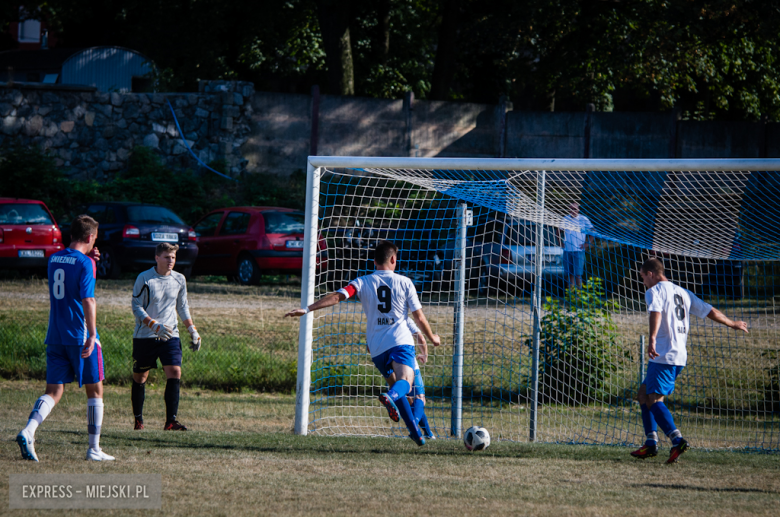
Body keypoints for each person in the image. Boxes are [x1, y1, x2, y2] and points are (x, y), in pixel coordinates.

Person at [285, 240, 440, 446]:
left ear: (374, 261)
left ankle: (417, 434)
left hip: (376, 347)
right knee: (406, 382)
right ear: (393, 259)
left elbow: (337, 297)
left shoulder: (362, 281)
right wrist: (432, 337)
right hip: (400, 341)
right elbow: (418, 317)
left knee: (398, 388)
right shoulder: (404, 282)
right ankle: (391, 397)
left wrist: (307, 309)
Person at [16, 215, 115, 462]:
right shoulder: (85, 263)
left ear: (71, 234)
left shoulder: (53, 259)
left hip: (56, 334)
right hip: (79, 335)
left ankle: (29, 431)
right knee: (95, 389)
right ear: (91, 237)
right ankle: (94, 449)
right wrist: (92, 335)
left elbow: (70, 282)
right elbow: (88, 299)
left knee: (53, 390)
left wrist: (89, 262)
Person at [631, 258, 748, 463]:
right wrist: (732, 323)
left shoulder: (654, 292)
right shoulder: (682, 292)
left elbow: (656, 313)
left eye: (642, 277)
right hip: (678, 355)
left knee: (653, 399)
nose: (643, 282)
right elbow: (708, 309)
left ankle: (677, 440)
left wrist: (651, 339)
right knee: (643, 395)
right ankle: (650, 443)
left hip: (664, 354)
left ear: (650, 274)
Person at [130, 242, 201, 431]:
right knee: (140, 376)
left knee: (175, 372)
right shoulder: (144, 278)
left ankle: (171, 421)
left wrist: (192, 330)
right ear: (157, 258)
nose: (171, 261)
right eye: (167, 257)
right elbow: (136, 306)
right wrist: (154, 325)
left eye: (174, 258)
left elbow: (182, 307)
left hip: (170, 335)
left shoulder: (179, 279)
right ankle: (138, 420)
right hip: (145, 336)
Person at [385, 320, 435, 439]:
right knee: (420, 398)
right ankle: (414, 430)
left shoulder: (378, 319)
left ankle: (428, 434)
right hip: (407, 362)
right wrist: (425, 354)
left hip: (388, 364)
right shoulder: (404, 319)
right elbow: (421, 339)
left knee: (408, 399)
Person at [562, 202, 594, 289]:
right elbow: (558, 231)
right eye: (571, 209)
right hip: (567, 250)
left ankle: (579, 295)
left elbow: (593, 232)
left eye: (574, 209)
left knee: (578, 274)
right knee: (569, 274)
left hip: (579, 250)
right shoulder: (565, 219)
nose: (573, 211)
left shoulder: (583, 219)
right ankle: (571, 295)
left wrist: (587, 243)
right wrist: (560, 242)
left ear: (578, 210)